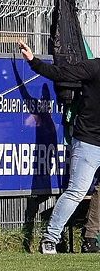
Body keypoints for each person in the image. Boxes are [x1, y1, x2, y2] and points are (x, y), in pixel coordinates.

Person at [19, 41, 100, 254]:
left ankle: (90, 239)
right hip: (88, 142)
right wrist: (34, 62)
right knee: (76, 192)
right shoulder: (93, 68)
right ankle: (50, 239)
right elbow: (60, 73)